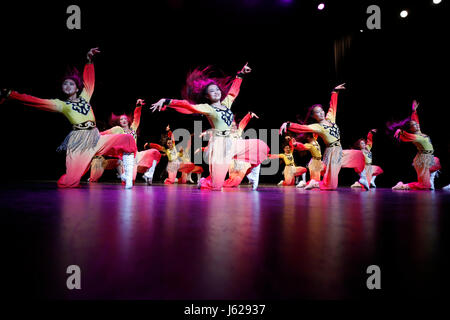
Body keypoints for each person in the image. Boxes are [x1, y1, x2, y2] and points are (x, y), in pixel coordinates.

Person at [0, 48, 137, 188]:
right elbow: (37, 101)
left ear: (77, 88)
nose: (67, 85)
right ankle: (73, 178)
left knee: (126, 138)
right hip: (79, 142)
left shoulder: (85, 97)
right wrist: (12, 95)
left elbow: (89, 82)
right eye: (65, 84)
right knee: (70, 182)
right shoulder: (62, 105)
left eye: (71, 83)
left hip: (95, 137)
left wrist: (89, 61)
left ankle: (127, 176)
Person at [151, 63, 269, 191]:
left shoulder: (226, 103)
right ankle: (204, 181)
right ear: (207, 96)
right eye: (212, 91)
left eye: (217, 89)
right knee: (217, 186)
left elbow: (233, 92)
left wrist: (240, 74)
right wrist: (167, 101)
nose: (216, 92)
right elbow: (187, 106)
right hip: (219, 146)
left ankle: (253, 172)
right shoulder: (208, 108)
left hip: (233, 142)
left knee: (260, 146)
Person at [279, 83, 366, 190]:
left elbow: (333, 107)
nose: (321, 113)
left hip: (339, 150)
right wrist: (288, 125)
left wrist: (335, 92)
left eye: (321, 111)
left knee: (358, 155)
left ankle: (362, 178)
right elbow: (302, 128)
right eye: (317, 113)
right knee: (331, 185)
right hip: (332, 152)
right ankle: (314, 183)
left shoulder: (330, 118)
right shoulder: (318, 126)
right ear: (313, 116)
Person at [89, 99, 161, 185]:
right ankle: (124, 174)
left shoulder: (133, 129)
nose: (123, 120)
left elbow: (137, 117)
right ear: (119, 122)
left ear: (128, 120)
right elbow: (104, 134)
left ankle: (148, 172)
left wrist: (138, 106)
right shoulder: (118, 130)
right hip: (126, 158)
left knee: (155, 153)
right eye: (121, 119)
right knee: (129, 181)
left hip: (137, 155)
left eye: (125, 119)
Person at [390, 100, 441, 190]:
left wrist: (414, 111)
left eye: (417, 124)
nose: (417, 125)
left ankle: (430, 180)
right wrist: (400, 131)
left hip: (429, 157)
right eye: (414, 125)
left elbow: (415, 120)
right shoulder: (414, 136)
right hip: (422, 161)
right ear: (411, 129)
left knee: (437, 163)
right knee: (424, 186)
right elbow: (405, 134)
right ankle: (402, 185)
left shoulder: (419, 132)